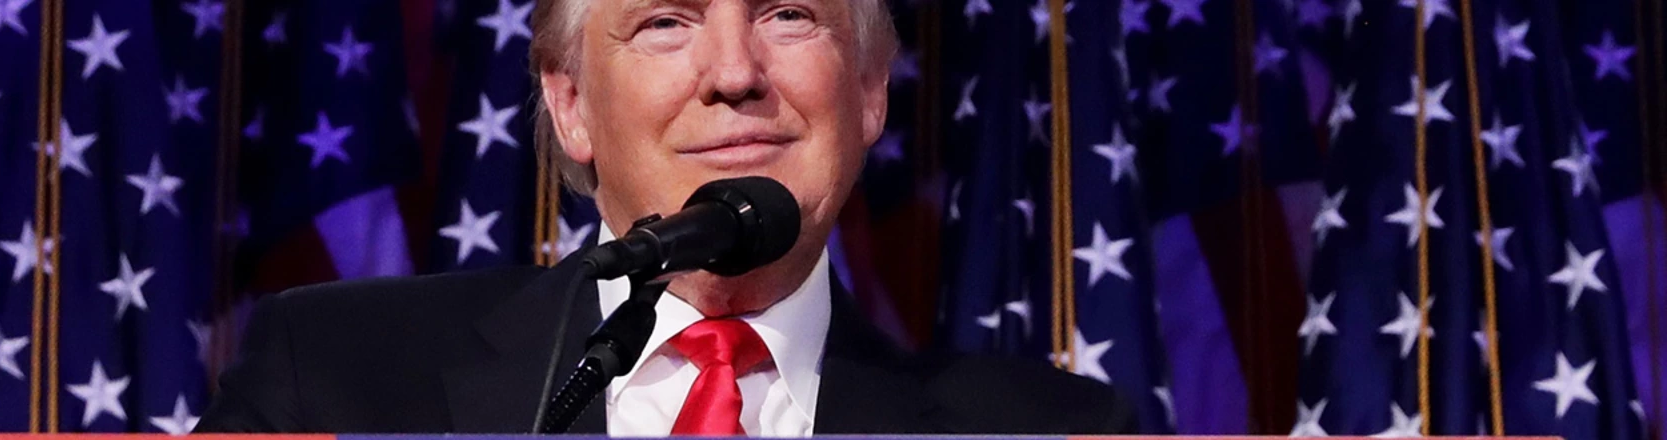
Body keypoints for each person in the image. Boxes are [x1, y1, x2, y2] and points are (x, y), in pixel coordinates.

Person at [195, 0, 1134, 434]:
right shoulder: (330, 375)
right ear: (570, 106)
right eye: (664, 23)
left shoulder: (1060, 431)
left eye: (789, 15)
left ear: (871, 91)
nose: (733, 72)